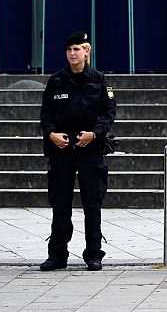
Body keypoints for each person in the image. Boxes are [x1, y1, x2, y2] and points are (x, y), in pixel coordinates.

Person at [39, 31, 116, 271]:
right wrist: (51, 134)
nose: (72, 54)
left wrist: (94, 134)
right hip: (61, 148)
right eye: (69, 50)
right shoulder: (57, 81)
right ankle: (57, 254)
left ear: (86, 51)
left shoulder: (99, 80)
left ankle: (93, 253)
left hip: (90, 148)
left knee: (92, 203)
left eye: (77, 49)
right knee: (60, 202)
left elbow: (108, 112)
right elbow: (46, 114)